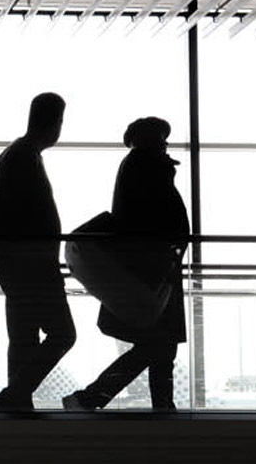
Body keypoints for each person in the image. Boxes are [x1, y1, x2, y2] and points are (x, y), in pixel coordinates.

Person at [62, 117, 190, 411]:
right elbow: (156, 218)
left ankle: (156, 405)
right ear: (147, 139)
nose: (165, 143)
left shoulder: (139, 166)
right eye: (161, 137)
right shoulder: (147, 167)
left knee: (160, 345)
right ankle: (92, 398)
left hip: (152, 268)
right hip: (152, 269)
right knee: (159, 344)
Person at [0, 92, 76, 411]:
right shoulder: (23, 156)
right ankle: (13, 396)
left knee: (24, 338)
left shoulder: (18, 154)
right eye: (61, 121)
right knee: (63, 334)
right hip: (32, 264)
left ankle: (17, 398)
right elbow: (14, 214)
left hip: (18, 263)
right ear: (53, 122)